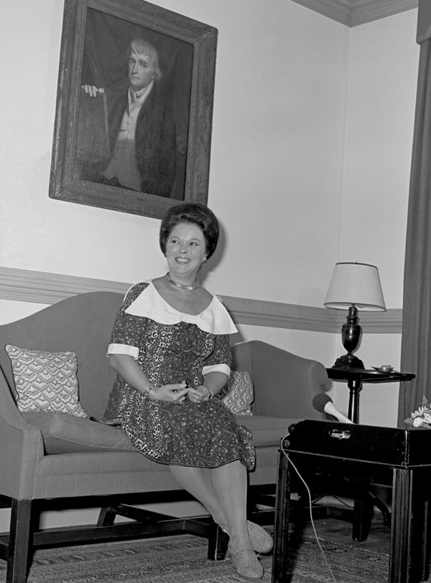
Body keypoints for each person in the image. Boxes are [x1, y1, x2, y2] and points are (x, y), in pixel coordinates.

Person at [103, 203, 271, 579]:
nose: (182, 249)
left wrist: (208, 392)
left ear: (207, 252)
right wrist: (152, 390)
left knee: (224, 431)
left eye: (193, 243)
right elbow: (119, 356)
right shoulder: (142, 293)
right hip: (142, 394)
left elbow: (219, 366)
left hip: (190, 397)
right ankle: (239, 537)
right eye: (175, 240)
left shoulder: (214, 307)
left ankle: (233, 529)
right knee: (178, 426)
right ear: (164, 246)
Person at [82, 38, 177, 197]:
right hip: (105, 181)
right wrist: (88, 97)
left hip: (136, 192)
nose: (135, 69)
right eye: (132, 61)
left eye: (143, 64)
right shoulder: (116, 102)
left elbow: (167, 173)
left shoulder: (164, 115)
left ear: (154, 73)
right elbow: (98, 141)